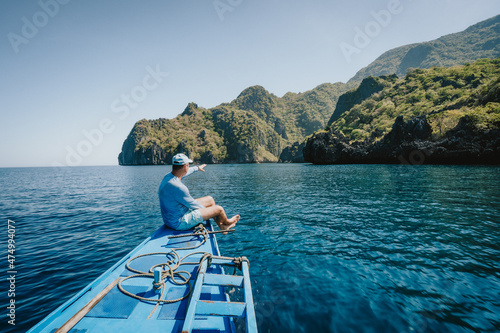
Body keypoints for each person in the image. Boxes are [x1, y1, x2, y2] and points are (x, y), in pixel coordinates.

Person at [158, 153, 240, 232]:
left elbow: (184, 172)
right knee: (219, 209)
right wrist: (212, 212)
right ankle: (227, 223)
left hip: (170, 218)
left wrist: (197, 168)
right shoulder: (179, 187)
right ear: (185, 166)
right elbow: (194, 205)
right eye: (188, 165)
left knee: (210, 200)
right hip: (179, 222)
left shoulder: (168, 177)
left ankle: (222, 226)